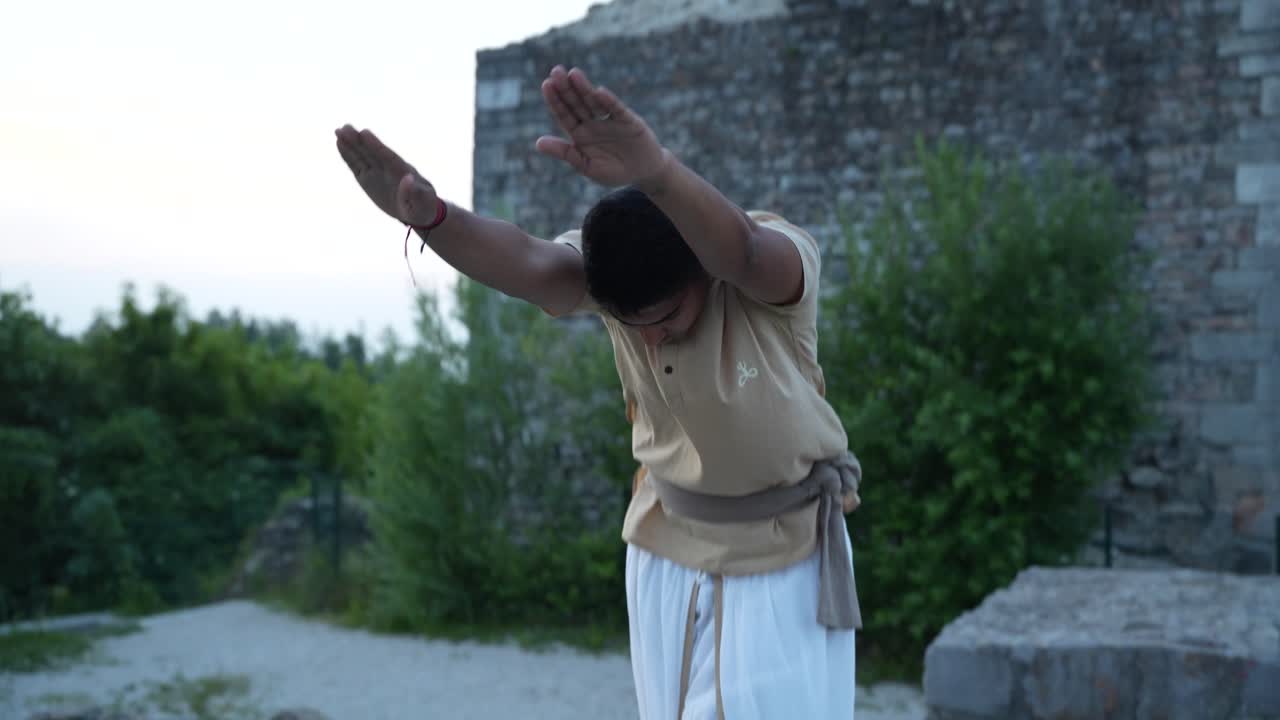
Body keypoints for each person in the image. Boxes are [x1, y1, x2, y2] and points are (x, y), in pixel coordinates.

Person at [335, 64, 863, 720]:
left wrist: (656, 171)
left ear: (699, 276)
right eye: (634, 327)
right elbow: (531, 264)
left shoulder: (770, 262)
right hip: (663, 545)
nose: (652, 342)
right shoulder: (618, 278)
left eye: (666, 319)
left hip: (780, 557)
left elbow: (744, 254)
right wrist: (435, 219)